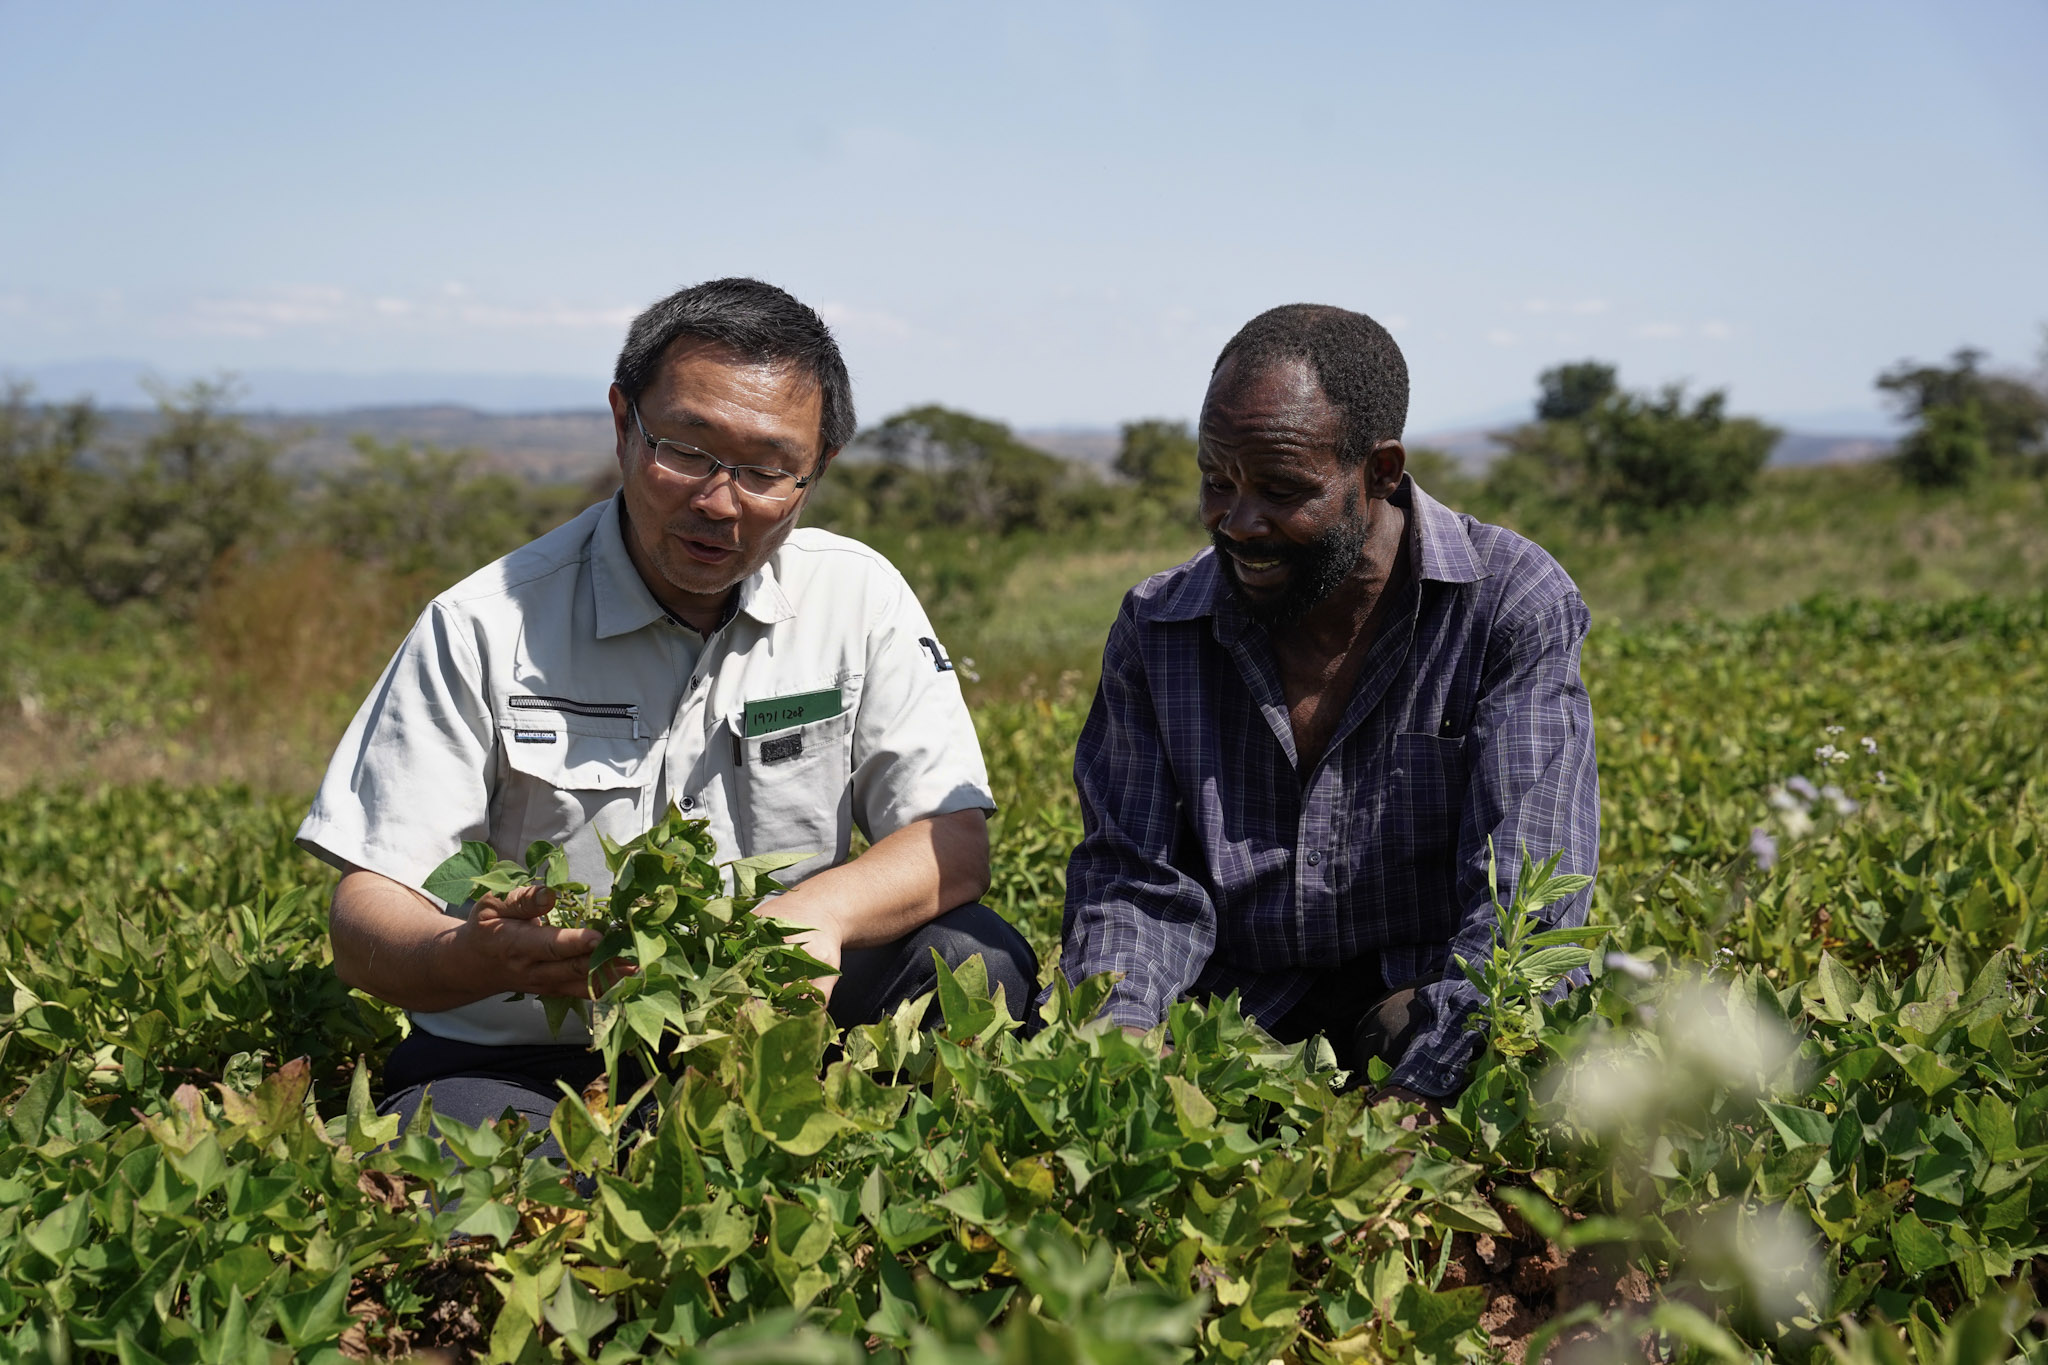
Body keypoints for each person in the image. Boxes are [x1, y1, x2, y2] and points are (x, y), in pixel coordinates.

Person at [299, 277, 1037, 1142]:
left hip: (776, 1033)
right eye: (686, 450)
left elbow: (951, 838)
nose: (720, 501)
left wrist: (816, 915)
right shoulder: (482, 624)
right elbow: (364, 915)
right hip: (533, 1061)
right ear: (622, 422)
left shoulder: (858, 595)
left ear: (815, 473)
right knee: (470, 1191)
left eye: (766, 471)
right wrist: (470, 956)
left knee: (972, 963)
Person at [1055, 304, 1598, 1105]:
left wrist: (1418, 1098)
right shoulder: (1159, 626)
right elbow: (1134, 882)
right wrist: (1122, 1047)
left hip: (1423, 998)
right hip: (1233, 1011)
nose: (1238, 522)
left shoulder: (1508, 604)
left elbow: (1526, 904)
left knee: (1538, 1068)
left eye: (1281, 489)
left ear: (1380, 472)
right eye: (1216, 479)